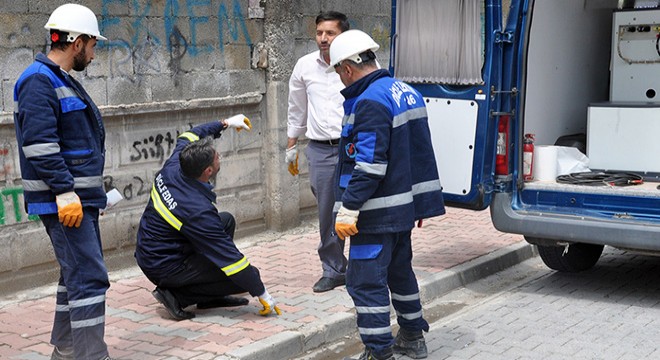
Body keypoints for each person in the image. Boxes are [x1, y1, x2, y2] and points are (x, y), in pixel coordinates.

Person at [328, 30, 446, 360]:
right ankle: (412, 337)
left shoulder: (369, 101)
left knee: (365, 283)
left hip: (375, 213)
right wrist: (419, 203)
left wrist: (349, 208)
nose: (341, 78)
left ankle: (379, 352)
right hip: (401, 210)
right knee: (399, 273)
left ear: (347, 69)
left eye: (338, 72)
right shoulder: (404, 91)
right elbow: (417, 155)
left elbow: (369, 165)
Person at [13, 4, 113, 360]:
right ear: (77, 42)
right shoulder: (39, 81)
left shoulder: (59, 79)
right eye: (92, 44)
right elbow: (39, 145)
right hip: (64, 202)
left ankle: (68, 349)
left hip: (76, 201)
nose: (94, 52)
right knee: (89, 279)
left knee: (75, 277)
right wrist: (65, 190)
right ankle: (90, 355)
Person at [135, 117, 282, 321]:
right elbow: (232, 260)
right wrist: (262, 293)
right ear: (208, 171)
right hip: (163, 264)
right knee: (241, 279)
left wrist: (226, 123)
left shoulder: (176, 164)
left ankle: (210, 298)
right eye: (217, 157)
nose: (219, 156)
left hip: (156, 246)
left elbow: (190, 134)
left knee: (226, 221)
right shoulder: (197, 211)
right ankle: (175, 295)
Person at [286, 11, 350, 293]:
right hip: (321, 151)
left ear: (342, 35)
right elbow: (296, 108)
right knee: (328, 213)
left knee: (361, 207)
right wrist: (291, 145)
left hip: (354, 148)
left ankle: (365, 265)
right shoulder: (304, 66)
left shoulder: (355, 63)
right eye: (320, 33)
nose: (323, 39)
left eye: (330, 33)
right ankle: (334, 268)